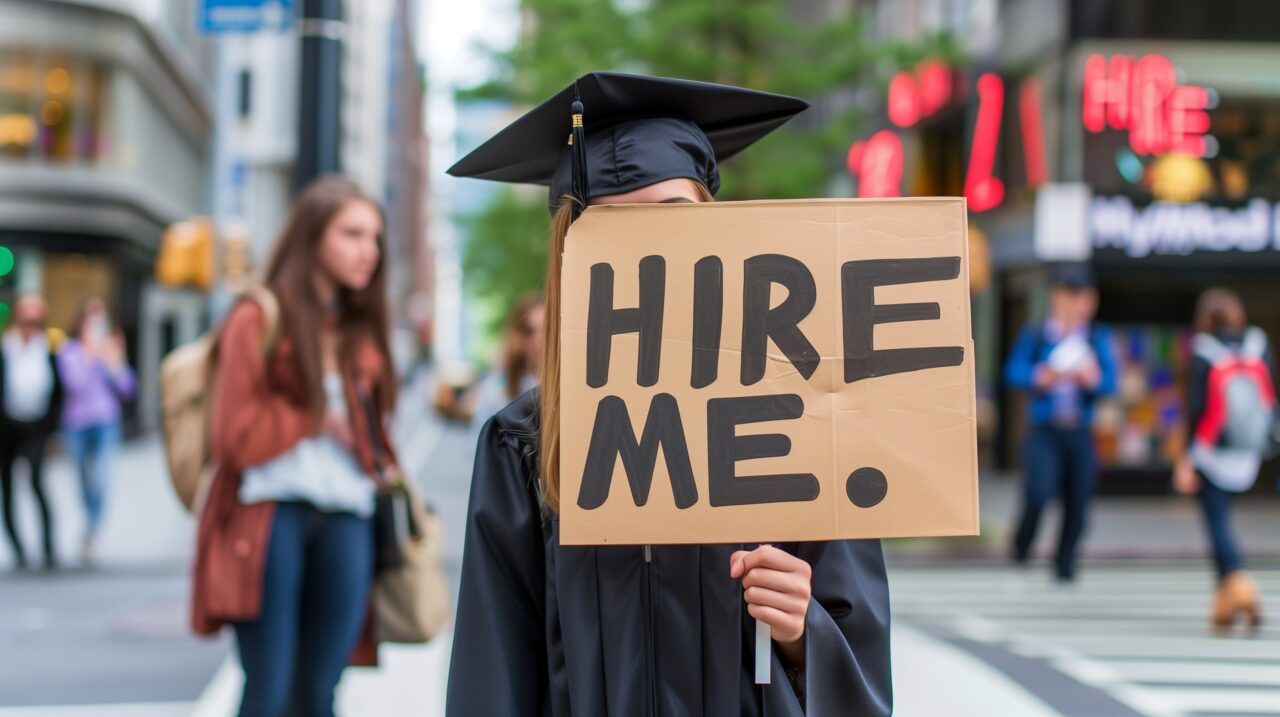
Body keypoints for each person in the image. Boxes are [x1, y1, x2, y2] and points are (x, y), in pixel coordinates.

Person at [444, 73, 891, 716]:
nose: (650, 250)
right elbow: (493, 673)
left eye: (672, 218)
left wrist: (800, 630)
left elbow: (863, 667)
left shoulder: (803, 416)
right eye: (613, 229)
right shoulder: (528, 440)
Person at [189, 176, 399, 717]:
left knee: (320, 692)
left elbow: (381, 440)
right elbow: (234, 440)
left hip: (348, 516)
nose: (367, 252)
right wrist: (319, 419)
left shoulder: (361, 331)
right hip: (269, 515)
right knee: (268, 690)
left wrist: (373, 449)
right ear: (312, 238)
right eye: (351, 234)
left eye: (374, 238)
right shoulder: (256, 318)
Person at [1004, 264, 1117, 582]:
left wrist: (1092, 380)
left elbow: (1110, 382)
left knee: (1078, 500)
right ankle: (1021, 549)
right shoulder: (1039, 333)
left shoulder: (1095, 337)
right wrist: (1040, 376)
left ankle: (1064, 565)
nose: (1076, 304)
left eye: (1082, 297)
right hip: (1045, 429)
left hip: (1079, 430)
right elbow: (1013, 372)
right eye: (1070, 296)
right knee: (1038, 493)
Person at [1174, 288, 1273, 631]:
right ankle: (1223, 604)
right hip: (1247, 452)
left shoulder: (1203, 351)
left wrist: (1188, 458)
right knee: (1222, 518)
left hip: (1212, 453)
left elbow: (1198, 410)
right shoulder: (1257, 345)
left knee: (1216, 522)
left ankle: (1238, 583)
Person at [57, 297, 136, 565]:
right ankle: (90, 519)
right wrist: (90, 356)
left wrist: (114, 361)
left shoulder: (110, 348)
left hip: (105, 420)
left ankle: (92, 528)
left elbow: (128, 388)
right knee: (82, 477)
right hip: (77, 422)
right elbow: (74, 384)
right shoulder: (70, 350)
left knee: (101, 476)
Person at [1, 295, 63, 570]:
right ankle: (18, 549)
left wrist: (52, 428)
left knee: (38, 482)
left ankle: (48, 548)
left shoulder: (49, 349)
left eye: (37, 321)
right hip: (7, 426)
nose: (31, 327)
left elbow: (59, 392)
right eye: (27, 320)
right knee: (8, 488)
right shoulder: (6, 347)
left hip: (36, 427)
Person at [470, 293, 545, 424]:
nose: (538, 340)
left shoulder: (565, 389)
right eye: (529, 331)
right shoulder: (497, 390)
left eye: (546, 331)